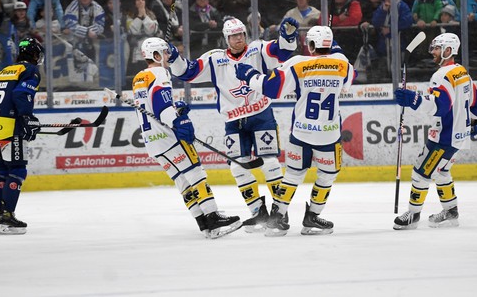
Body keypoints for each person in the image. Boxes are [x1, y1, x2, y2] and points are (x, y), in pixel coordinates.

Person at [167, 17, 299, 233]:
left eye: (241, 34)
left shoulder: (258, 50)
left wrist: (288, 37)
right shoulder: (215, 59)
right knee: (238, 166)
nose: (239, 39)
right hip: (233, 121)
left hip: (261, 114)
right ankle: (258, 213)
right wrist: (173, 58)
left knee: (270, 163)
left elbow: (282, 52)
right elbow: (187, 72)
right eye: (234, 35)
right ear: (226, 38)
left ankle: (280, 216)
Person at [235, 25, 355, 236]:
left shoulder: (298, 64)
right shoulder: (344, 65)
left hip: (301, 132)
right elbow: (345, 75)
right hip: (329, 134)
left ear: (309, 45)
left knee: (293, 174)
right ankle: (312, 218)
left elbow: (270, 88)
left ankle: (277, 218)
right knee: (327, 176)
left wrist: (250, 75)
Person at [132, 37, 242, 238]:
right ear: (156, 55)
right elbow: (162, 107)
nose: (167, 56)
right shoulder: (160, 72)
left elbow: (152, 106)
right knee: (195, 173)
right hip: (169, 138)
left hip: (153, 142)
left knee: (182, 181)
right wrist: (179, 121)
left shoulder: (139, 78)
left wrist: (177, 110)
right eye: (164, 53)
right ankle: (213, 216)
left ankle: (203, 222)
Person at [393, 33, 477, 230]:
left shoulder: (441, 75)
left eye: (436, 48)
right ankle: (451, 212)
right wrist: (474, 121)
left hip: (444, 137)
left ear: (448, 50)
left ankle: (413, 215)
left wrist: (414, 100)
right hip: (457, 136)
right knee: (442, 172)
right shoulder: (462, 72)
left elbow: (440, 107)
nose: (432, 52)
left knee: (420, 173)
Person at [0, 37, 44, 235]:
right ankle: (7, 216)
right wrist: (27, 117)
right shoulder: (30, 70)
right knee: (18, 170)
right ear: (35, 54)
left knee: (1, 170)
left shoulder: (6, 70)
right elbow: (21, 94)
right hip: (11, 125)